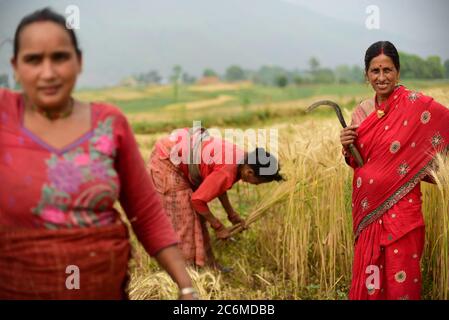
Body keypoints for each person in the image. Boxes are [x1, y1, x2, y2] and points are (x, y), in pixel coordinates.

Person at [0, 8, 197, 300]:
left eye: (60, 57)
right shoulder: (4, 115)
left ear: (78, 62)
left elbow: (145, 212)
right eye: (33, 60)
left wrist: (187, 288)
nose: (48, 73)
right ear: (15, 67)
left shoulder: (109, 124)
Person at [340, 41, 449, 300]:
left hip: (403, 214)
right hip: (368, 210)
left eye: (387, 70)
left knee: (401, 281)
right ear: (366, 75)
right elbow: (358, 161)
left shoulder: (415, 105)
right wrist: (347, 146)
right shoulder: (362, 112)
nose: (381, 77)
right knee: (371, 277)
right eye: (375, 71)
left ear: (398, 72)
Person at [147, 127, 283, 269]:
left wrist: (231, 213)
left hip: (180, 150)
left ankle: (206, 265)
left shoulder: (243, 160)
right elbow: (197, 200)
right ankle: (183, 271)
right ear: (250, 172)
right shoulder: (230, 169)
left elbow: (217, 186)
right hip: (166, 160)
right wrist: (217, 226)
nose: (256, 185)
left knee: (197, 219)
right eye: (258, 182)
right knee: (185, 220)